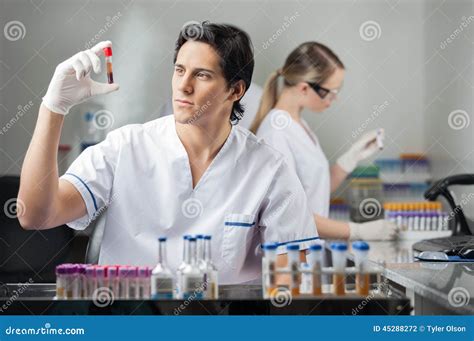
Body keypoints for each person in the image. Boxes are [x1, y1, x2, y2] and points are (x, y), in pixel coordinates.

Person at [17, 23, 318, 285]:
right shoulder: (125, 147)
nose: (183, 86)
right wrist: (54, 108)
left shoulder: (269, 169)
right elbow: (35, 216)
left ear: (235, 90)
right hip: (130, 321)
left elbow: (291, 283)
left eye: (201, 75)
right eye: (179, 70)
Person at [251, 42, 397, 240]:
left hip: (309, 255)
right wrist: (357, 231)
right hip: (289, 259)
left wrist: (350, 159)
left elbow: (314, 192)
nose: (334, 99)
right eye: (331, 92)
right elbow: (290, 214)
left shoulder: (298, 124)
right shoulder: (276, 133)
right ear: (304, 88)